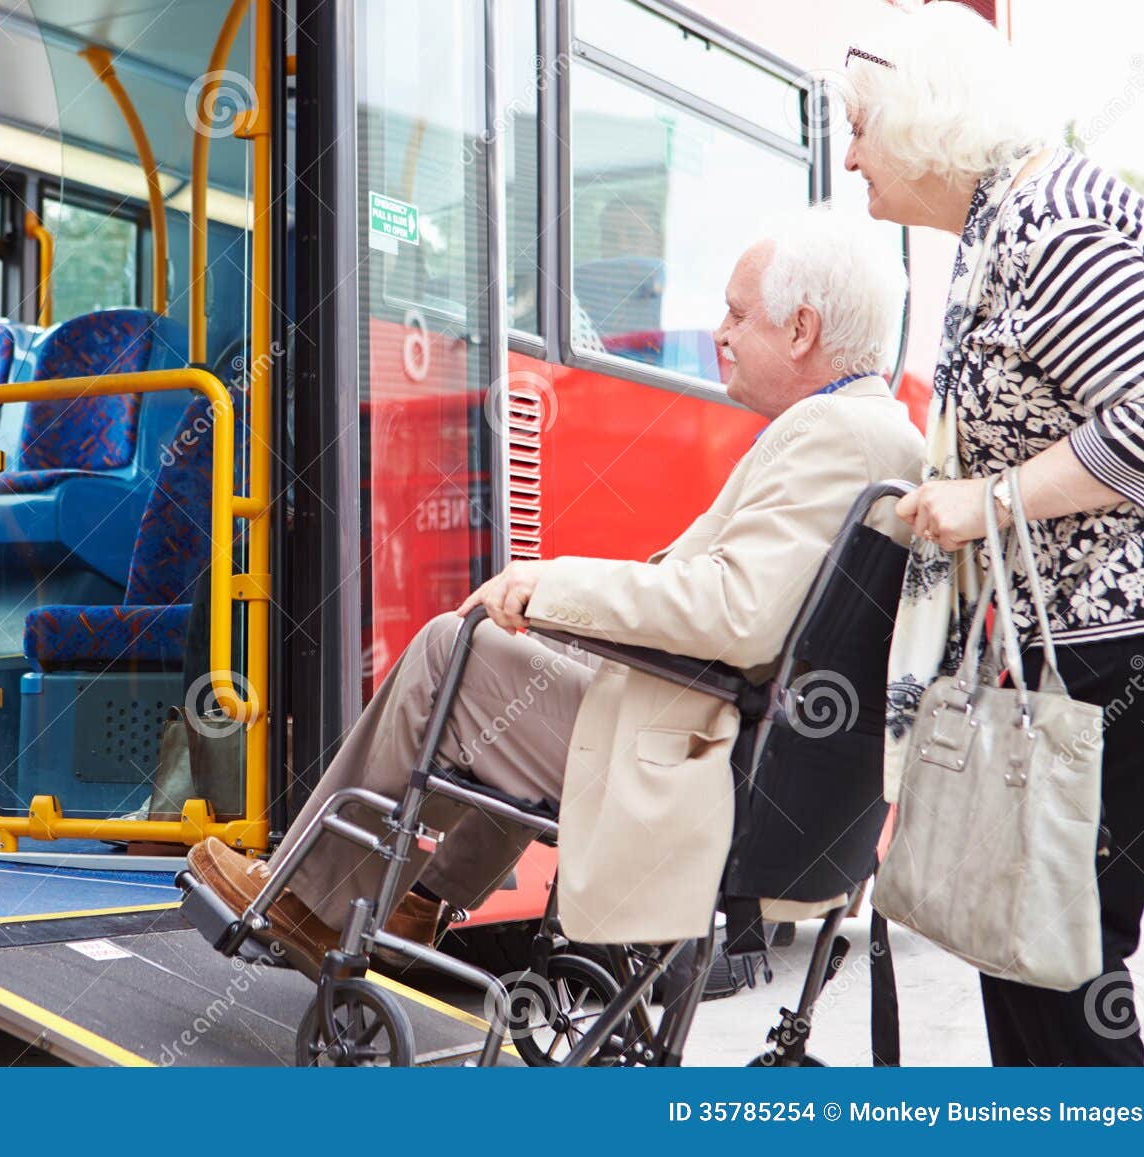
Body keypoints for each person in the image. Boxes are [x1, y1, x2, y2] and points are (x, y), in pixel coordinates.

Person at [189, 207, 924, 977]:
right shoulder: (880, 434)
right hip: (760, 769)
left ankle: (307, 902)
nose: (721, 333)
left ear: (802, 329)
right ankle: (416, 899)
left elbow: (735, 614)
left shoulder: (830, 433)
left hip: (707, 774)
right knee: (517, 657)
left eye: (739, 314)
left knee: (454, 650)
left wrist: (550, 582)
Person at [846, 3, 1144, 1066]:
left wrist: (988, 501)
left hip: (1123, 646)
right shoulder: (1002, 225)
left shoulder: (1053, 223)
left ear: (921, 123)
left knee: (1057, 949)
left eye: (860, 128)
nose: (848, 155)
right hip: (1073, 647)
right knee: (1023, 941)